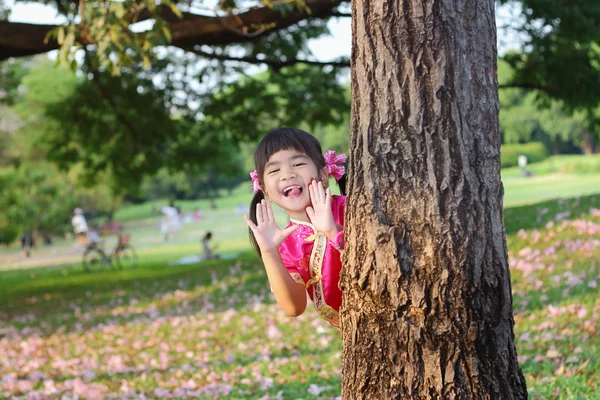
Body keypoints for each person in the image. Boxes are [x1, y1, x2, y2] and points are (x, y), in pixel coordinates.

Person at [244, 127, 347, 328]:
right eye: (274, 170)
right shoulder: (286, 246)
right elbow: (294, 307)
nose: (287, 174)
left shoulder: (352, 207)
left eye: (298, 164)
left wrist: (333, 232)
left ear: (324, 174)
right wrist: (269, 252)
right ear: (265, 191)